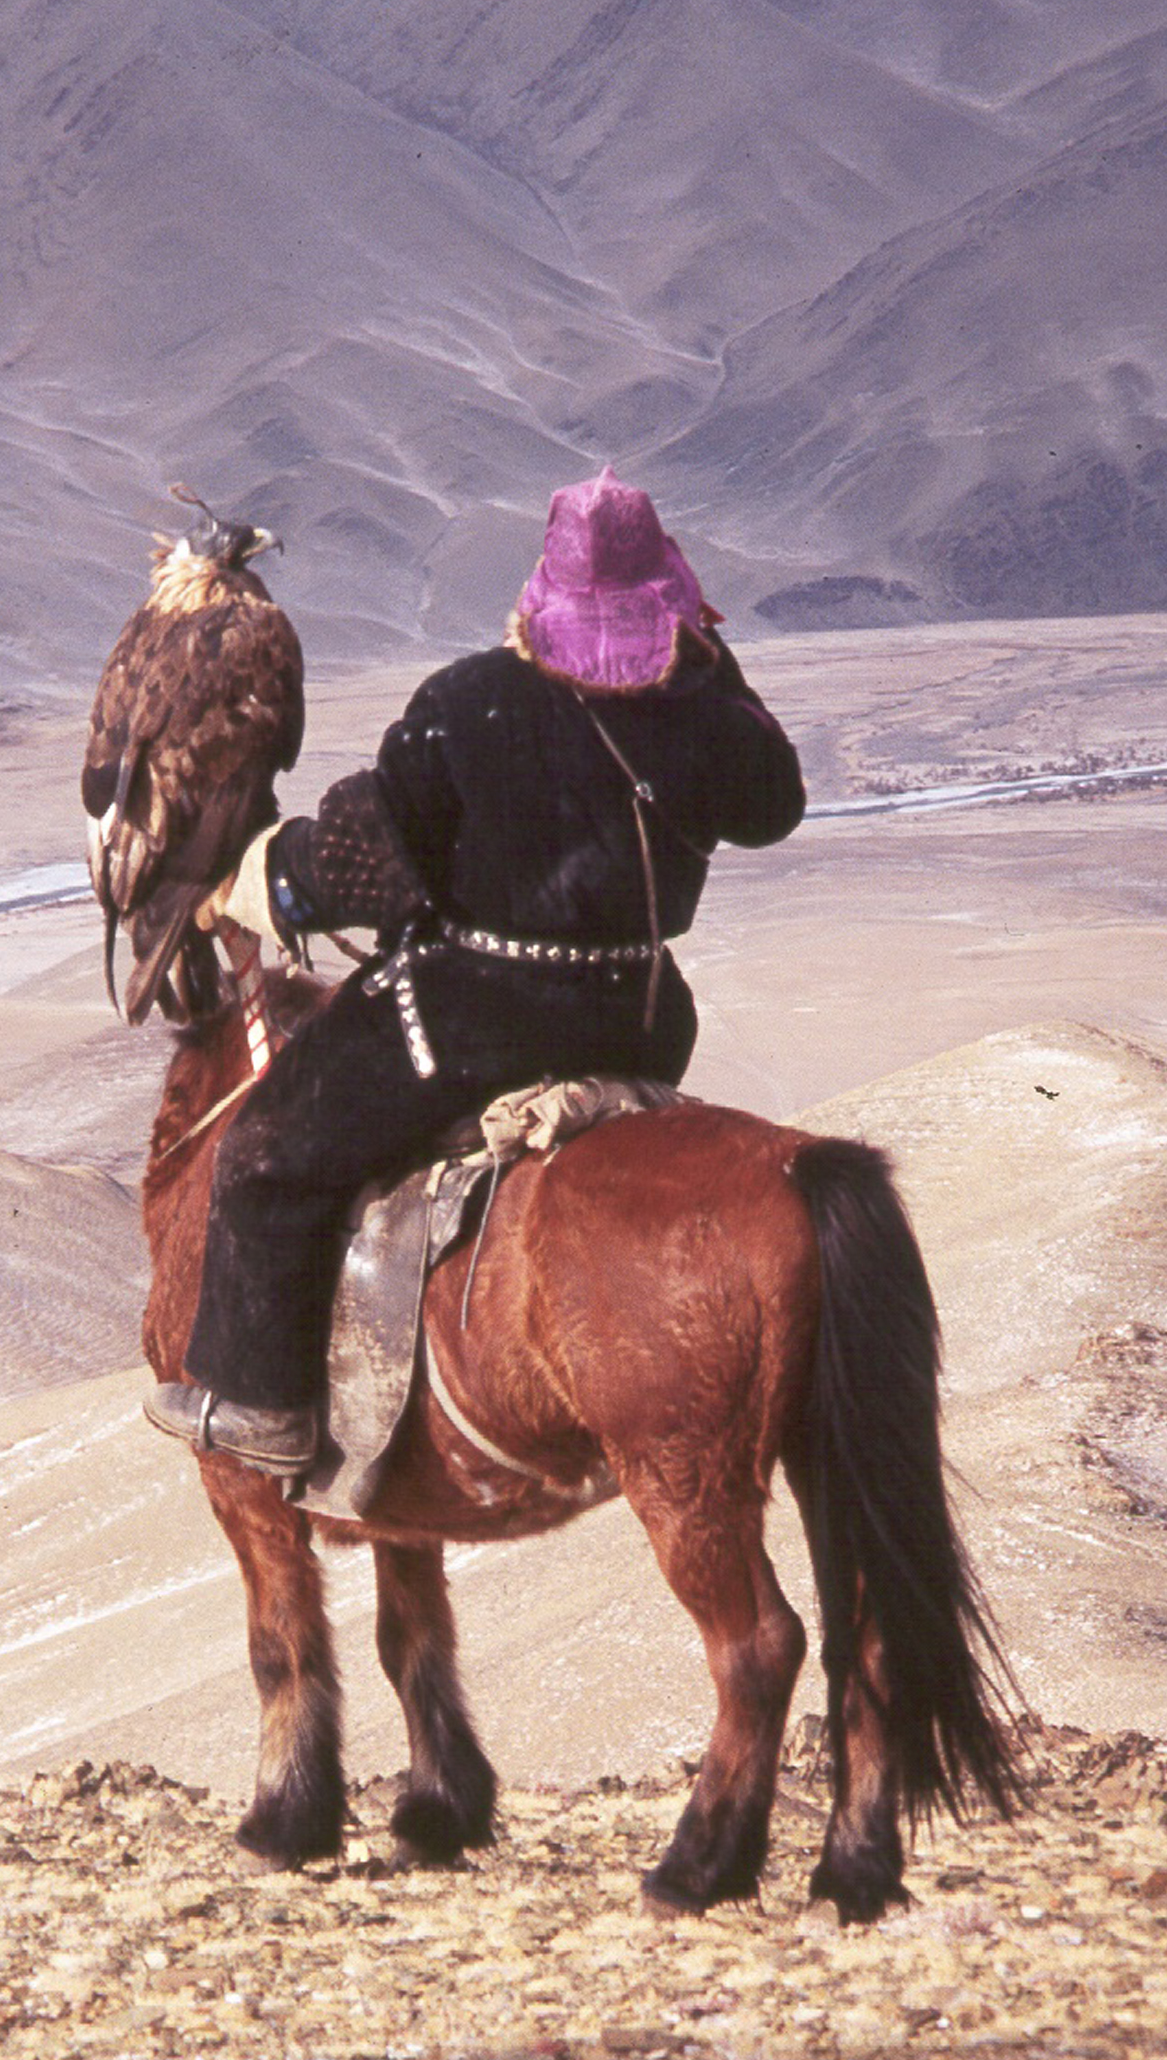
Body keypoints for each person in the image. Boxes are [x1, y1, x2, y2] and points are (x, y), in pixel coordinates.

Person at [142, 466, 806, 1474]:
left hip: (469, 1024)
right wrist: (707, 667)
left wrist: (267, 878)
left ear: (540, 596)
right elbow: (772, 807)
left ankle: (265, 1407)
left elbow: (366, 859)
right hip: (641, 1015)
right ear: (669, 599)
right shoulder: (701, 705)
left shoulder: (465, 701)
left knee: (267, 1150)